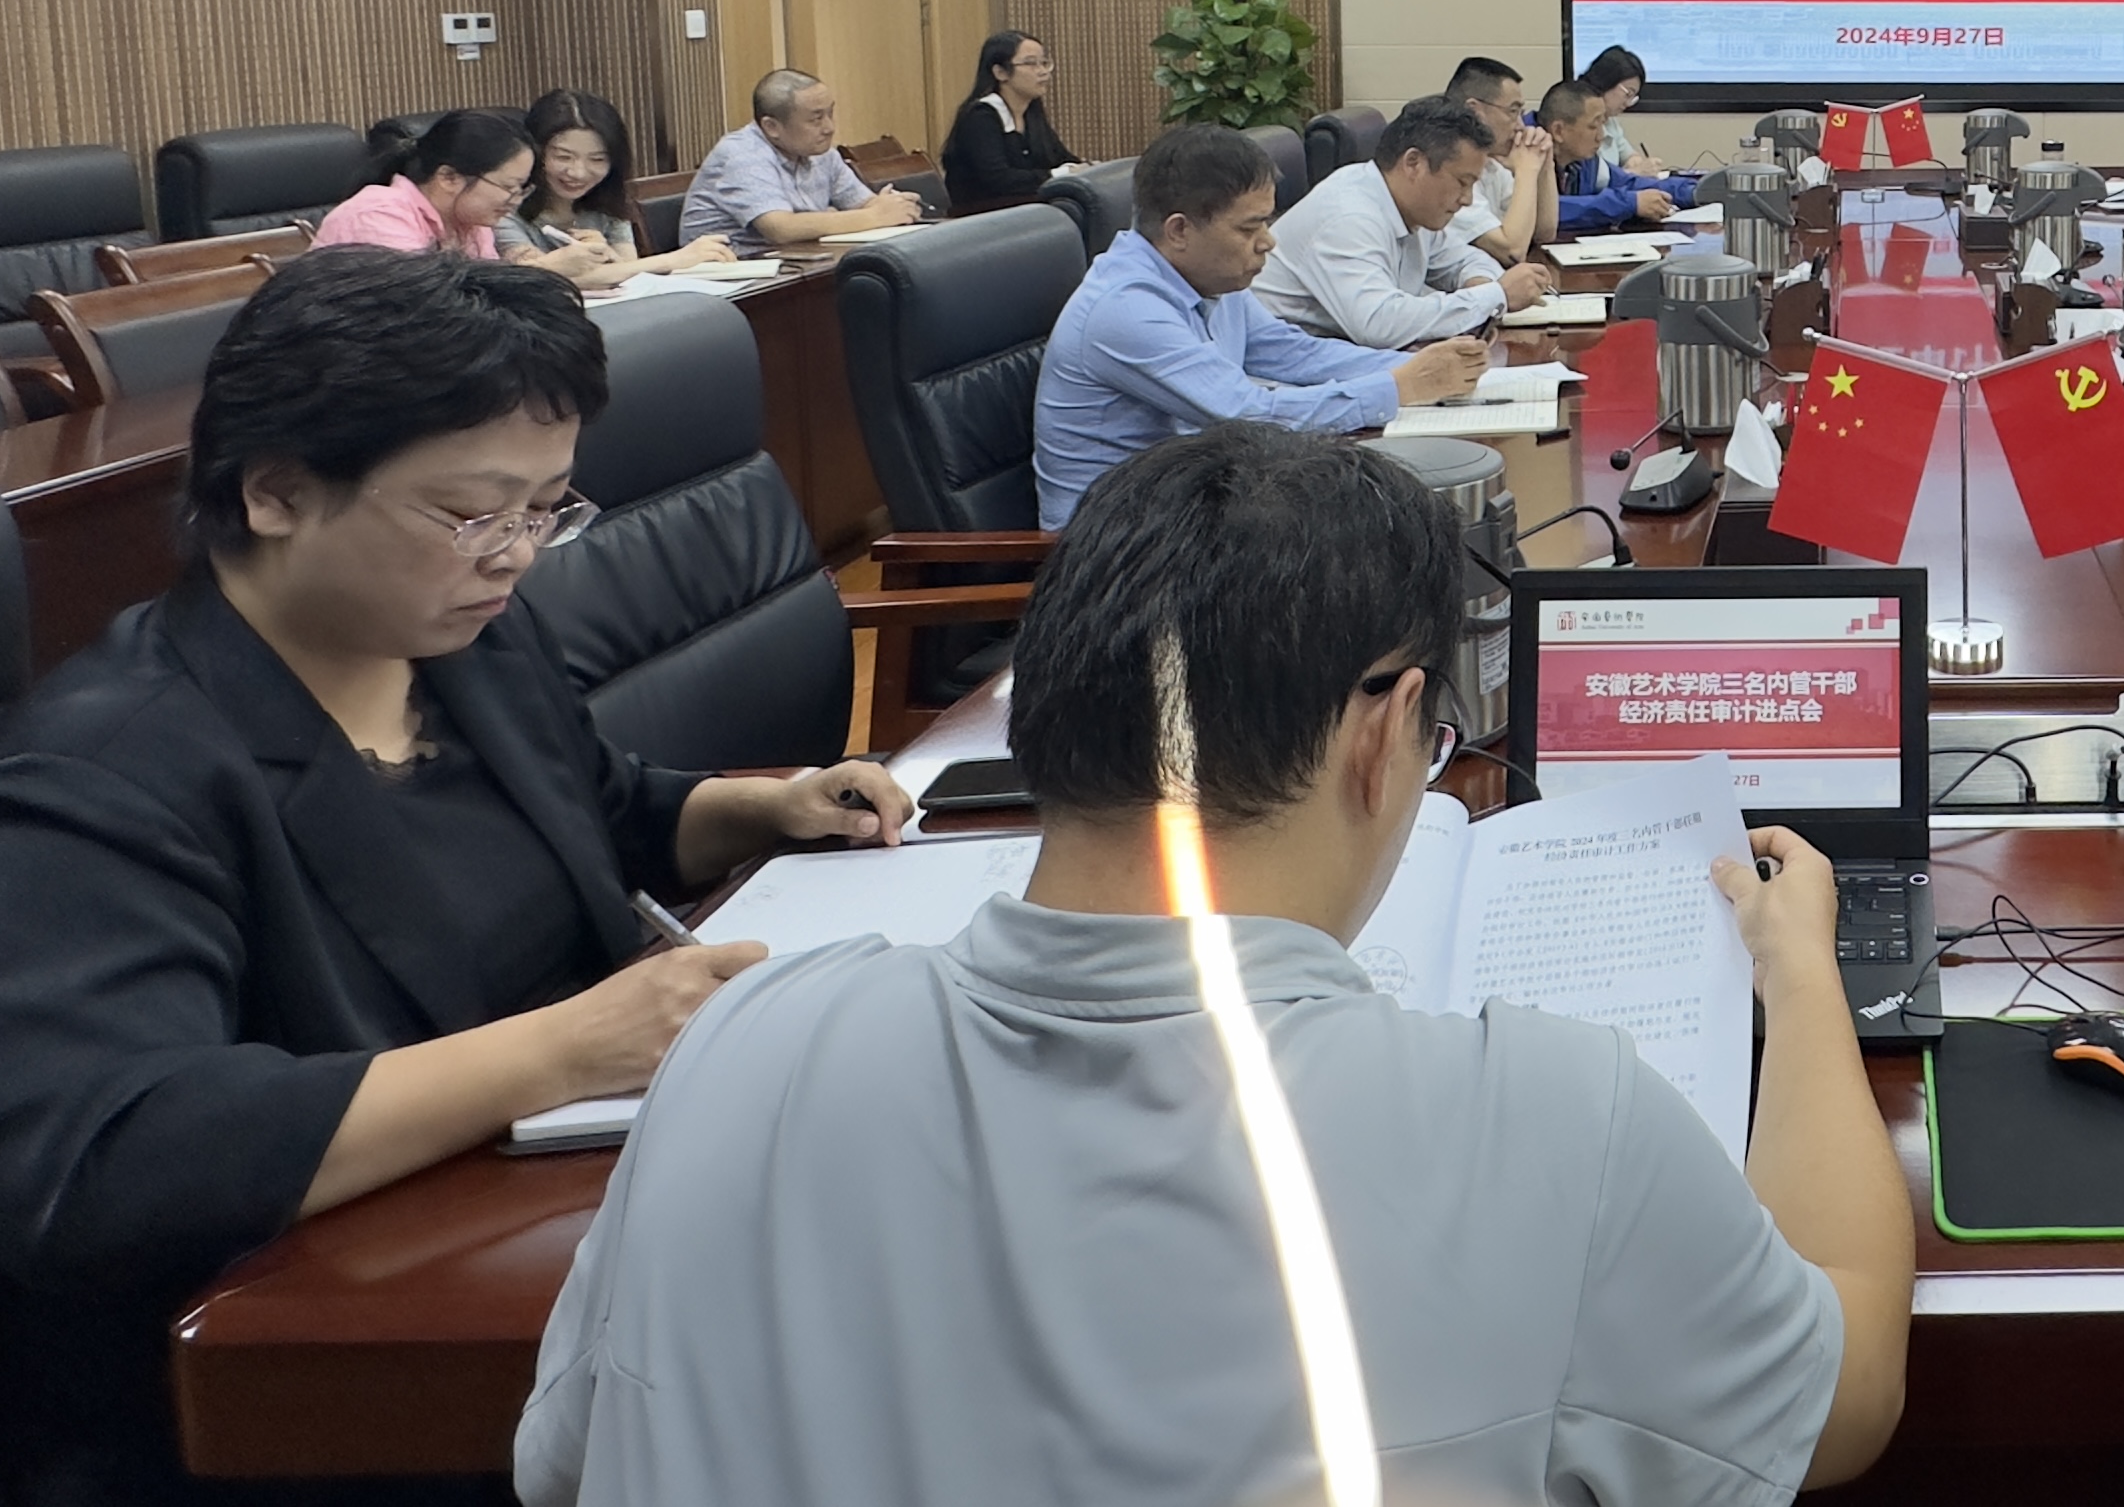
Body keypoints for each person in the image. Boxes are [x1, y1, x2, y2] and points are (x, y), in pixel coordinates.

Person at [517, 421, 1913, 1507]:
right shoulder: (1552, 1113)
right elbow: (1840, 1395)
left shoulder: (740, 1044)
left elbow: (562, 1456)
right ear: (1386, 732)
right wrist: (1800, 973)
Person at [0, 251, 911, 1504]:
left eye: (547, 507)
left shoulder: (460, 642)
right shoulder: (92, 781)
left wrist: (754, 809)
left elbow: (591, 813)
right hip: (295, 1378)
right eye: (472, 513)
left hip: (548, 1226)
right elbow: (100, 1163)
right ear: (276, 490)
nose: (516, 554)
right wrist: (567, 1048)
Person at [1032, 125, 1491, 527]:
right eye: (1249, 229)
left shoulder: (1210, 278)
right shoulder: (1126, 309)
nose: (1268, 242)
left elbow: (1294, 353)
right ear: (1179, 231)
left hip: (1188, 502)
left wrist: (1413, 368)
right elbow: (1244, 414)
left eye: (1267, 222)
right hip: (1117, 541)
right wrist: (1398, 388)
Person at [1254, 95, 1550, 344]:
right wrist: (1493, 296)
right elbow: (1379, 324)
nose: (1467, 199)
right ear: (1413, 163)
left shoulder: (1411, 206)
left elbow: (1464, 259)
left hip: (1342, 358)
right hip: (1285, 373)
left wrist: (1481, 284)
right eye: (1462, 182)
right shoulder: (1349, 216)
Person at [506, 89, 740, 291]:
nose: (578, 172)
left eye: (597, 159)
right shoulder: (506, 206)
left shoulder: (609, 202)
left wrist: (609, 256)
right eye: (563, 157)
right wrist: (674, 259)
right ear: (534, 152)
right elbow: (537, 281)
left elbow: (630, 272)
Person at [679, 68, 928, 255]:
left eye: (830, 113)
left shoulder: (821, 152)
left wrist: (892, 206)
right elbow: (781, 229)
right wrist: (876, 217)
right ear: (772, 127)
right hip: (733, 277)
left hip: (797, 264)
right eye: (816, 119)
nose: (829, 128)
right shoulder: (742, 155)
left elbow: (863, 203)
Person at [313, 107, 536, 264]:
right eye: (509, 187)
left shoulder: (472, 224)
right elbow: (422, 304)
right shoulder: (378, 215)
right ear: (448, 177)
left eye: (521, 189)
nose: (515, 201)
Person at [942, 29, 1082, 210]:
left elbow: (1060, 157)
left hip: (1025, 210)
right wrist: (1059, 174)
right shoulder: (980, 117)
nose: (1043, 72)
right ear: (1000, 72)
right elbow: (998, 180)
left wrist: (1084, 168)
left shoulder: (1031, 113)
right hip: (983, 215)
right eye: (1031, 63)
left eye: (1044, 63)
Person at [1540, 76, 1694, 235]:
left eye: (1602, 124)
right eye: (1593, 126)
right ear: (1558, 131)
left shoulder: (1583, 159)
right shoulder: (1528, 151)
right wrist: (1630, 203)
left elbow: (1627, 183)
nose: (1601, 136)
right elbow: (1547, 210)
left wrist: (1691, 192)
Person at [1443, 53, 1553, 266]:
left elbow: (1545, 232)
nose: (1520, 125)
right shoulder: (1448, 170)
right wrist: (1527, 170)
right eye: (1512, 111)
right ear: (1474, 111)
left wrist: (1545, 164)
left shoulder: (1491, 164)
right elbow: (1512, 252)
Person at [1578, 43, 1656, 178]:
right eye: (1628, 94)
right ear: (1607, 81)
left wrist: (1635, 162)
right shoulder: (1579, 117)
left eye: (1633, 97)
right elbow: (1592, 179)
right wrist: (1632, 173)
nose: (1628, 103)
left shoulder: (1610, 120)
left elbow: (1628, 154)